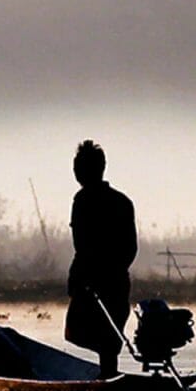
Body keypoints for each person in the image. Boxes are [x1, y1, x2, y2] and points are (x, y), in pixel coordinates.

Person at [64, 139, 137, 376]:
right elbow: (131, 248)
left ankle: (107, 380)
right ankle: (107, 376)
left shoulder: (83, 200)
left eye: (78, 168)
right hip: (116, 281)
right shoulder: (122, 202)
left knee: (84, 333)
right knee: (107, 342)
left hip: (94, 281)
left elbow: (82, 244)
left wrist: (88, 276)